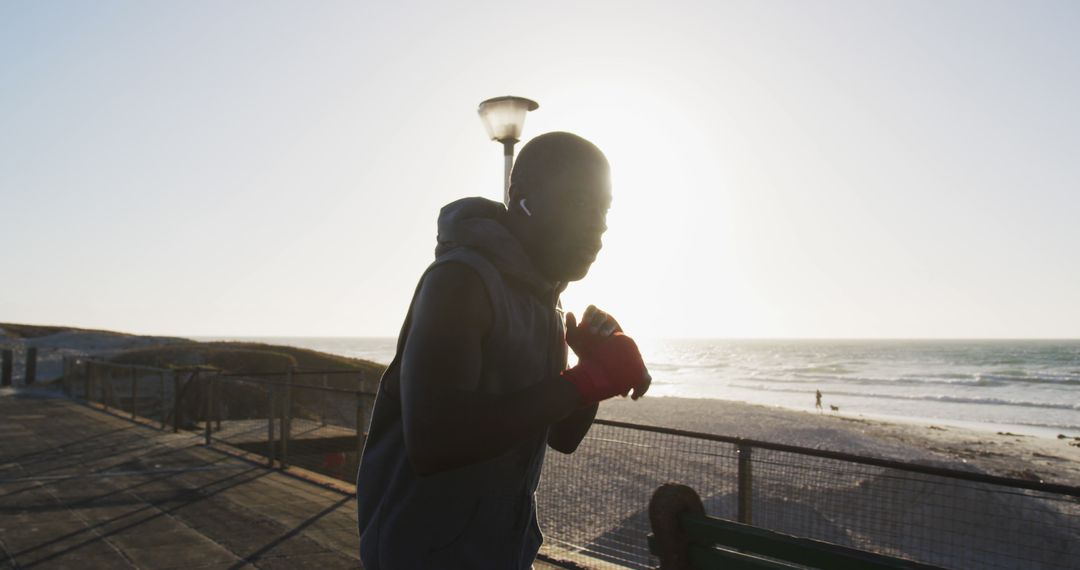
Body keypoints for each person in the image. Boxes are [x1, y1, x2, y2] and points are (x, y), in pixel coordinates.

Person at [355, 132, 651, 569]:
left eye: (604, 209)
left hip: (501, 553)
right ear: (522, 196)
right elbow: (434, 441)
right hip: (421, 556)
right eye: (578, 202)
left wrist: (590, 376)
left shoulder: (547, 302)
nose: (598, 224)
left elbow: (562, 437)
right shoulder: (460, 283)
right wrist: (586, 379)